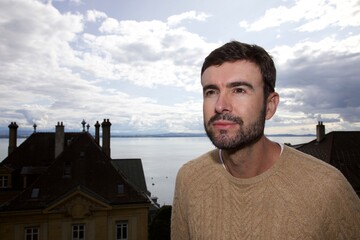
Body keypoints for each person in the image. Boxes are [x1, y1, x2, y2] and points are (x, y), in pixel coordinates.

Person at [171, 41, 360, 239]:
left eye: (239, 90)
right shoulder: (189, 179)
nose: (220, 105)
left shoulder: (327, 186)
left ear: (270, 106)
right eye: (211, 92)